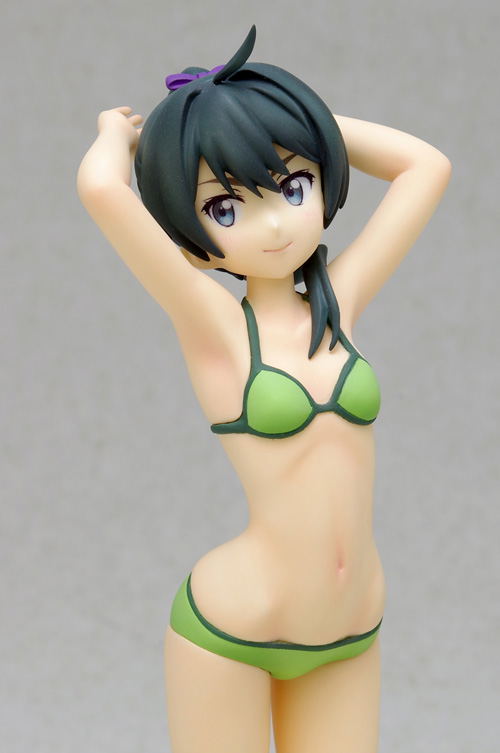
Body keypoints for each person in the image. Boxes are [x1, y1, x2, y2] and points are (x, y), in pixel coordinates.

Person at [77, 25, 451, 753]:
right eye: (225, 207)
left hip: (349, 627)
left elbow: (425, 166)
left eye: (293, 184)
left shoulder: (340, 304)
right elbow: (100, 189)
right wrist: (115, 136)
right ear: (194, 240)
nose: (275, 221)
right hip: (237, 626)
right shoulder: (216, 327)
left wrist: (288, 117)